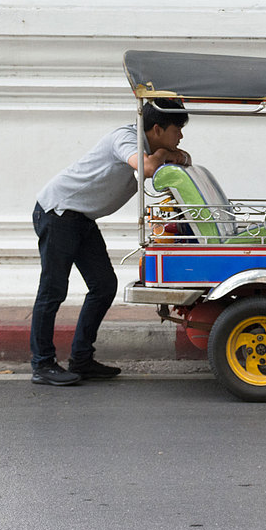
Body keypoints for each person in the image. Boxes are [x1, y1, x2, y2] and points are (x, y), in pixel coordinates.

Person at [29, 99, 190, 386]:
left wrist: (172, 154)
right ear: (156, 128)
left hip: (81, 218)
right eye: (177, 130)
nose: (180, 137)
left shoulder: (152, 145)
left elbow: (183, 159)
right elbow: (148, 167)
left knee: (104, 286)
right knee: (53, 290)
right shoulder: (125, 138)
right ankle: (42, 364)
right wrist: (167, 153)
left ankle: (81, 359)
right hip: (58, 212)